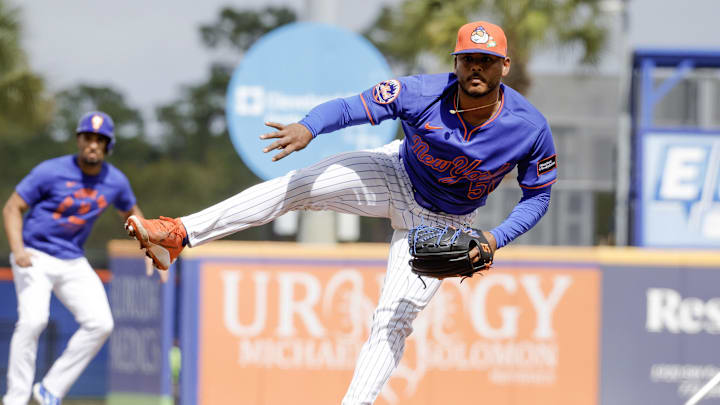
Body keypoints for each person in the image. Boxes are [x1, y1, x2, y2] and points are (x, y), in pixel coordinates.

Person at [126, 20, 557, 404]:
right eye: (468, 59)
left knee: (394, 318)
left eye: (486, 60)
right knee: (298, 185)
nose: (476, 68)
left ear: (504, 66)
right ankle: (179, 233)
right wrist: (308, 127)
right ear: (456, 63)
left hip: (446, 222)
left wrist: (494, 238)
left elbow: (538, 195)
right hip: (396, 173)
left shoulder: (529, 127)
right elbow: (351, 107)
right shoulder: (423, 92)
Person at [2, 111, 145, 405]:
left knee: (101, 323)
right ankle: (15, 399)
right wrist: (17, 250)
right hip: (35, 254)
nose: (93, 144)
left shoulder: (115, 181)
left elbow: (133, 216)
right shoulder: (50, 171)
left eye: (99, 140)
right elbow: (12, 208)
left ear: (108, 145)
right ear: (79, 140)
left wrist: (152, 249)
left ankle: (49, 389)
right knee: (33, 321)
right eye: (88, 138)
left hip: (72, 259)